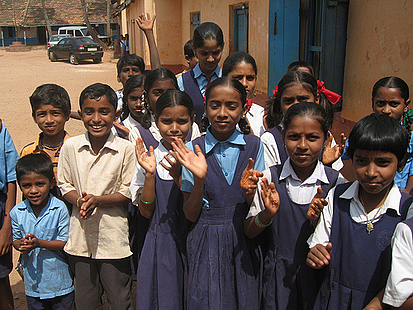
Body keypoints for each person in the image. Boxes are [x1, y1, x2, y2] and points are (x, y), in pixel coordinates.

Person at [172, 76, 265, 308]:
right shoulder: (194, 149)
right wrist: (200, 179)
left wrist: (249, 193)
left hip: (242, 241)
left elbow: (258, 206)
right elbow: (190, 215)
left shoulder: (254, 146)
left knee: (243, 298)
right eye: (215, 105)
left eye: (231, 106)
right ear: (205, 108)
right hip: (205, 241)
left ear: (244, 109)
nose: (222, 113)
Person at [243, 102, 345, 309]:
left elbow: (342, 238)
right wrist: (267, 215)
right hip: (277, 277)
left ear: (326, 140)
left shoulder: (336, 183)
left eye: (313, 137)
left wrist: (318, 222)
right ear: (282, 138)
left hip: (319, 278)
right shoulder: (270, 177)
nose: (303, 145)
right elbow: (249, 231)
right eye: (294, 136)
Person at [306, 114, 413, 309]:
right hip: (333, 301)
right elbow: (318, 243)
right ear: (351, 158)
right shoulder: (337, 197)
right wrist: (316, 253)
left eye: (382, 162)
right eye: (361, 161)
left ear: (401, 164)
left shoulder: (407, 212)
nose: (371, 172)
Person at [57, 83, 136, 310]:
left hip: (113, 239)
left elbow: (128, 191)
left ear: (116, 114)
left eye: (104, 111)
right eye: (89, 111)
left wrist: (98, 201)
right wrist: (80, 200)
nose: (96, 118)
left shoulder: (125, 149)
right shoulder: (71, 146)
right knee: (86, 301)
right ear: (80, 114)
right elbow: (64, 183)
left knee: (120, 299)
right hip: (80, 240)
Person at [130, 89, 193, 309]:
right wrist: (149, 174)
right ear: (155, 121)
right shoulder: (149, 158)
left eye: (182, 121)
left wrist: (181, 176)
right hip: (159, 243)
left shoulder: (198, 156)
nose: (174, 128)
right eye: (166, 121)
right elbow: (146, 212)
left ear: (192, 120)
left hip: (192, 242)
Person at [11, 154, 74, 310]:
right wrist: (22, 245)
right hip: (34, 285)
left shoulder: (59, 209)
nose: (33, 190)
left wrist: (38, 243)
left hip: (60, 282)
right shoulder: (17, 212)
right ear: (19, 185)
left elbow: (64, 242)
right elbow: (15, 239)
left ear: (52, 183)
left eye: (40, 184)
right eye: (27, 185)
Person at [263, 71, 345, 170]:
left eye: (303, 99)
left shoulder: (325, 136)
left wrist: (327, 166)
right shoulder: (270, 140)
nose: (296, 105)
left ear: (317, 99)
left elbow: (335, 176)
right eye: (289, 101)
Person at [21, 84, 71, 197]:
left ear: (67, 115)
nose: (49, 120)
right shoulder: (29, 151)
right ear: (34, 117)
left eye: (55, 113)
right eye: (42, 114)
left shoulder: (76, 149)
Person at [371, 76, 413, 193]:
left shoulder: (411, 140)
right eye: (380, 103)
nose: (386, 110)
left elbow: (410, 189)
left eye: (394, 104)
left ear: (406, 105)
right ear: (372, 103)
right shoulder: (365, 135)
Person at [177, 22, 224, 125]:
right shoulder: (182, 82)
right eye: (204, 53)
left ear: (222, 48)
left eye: (216, 53)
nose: (210, 59)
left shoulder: (228, 79)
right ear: (194, 49)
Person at [141, 68, 200, 150]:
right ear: (146, 96)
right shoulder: (140, 132)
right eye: (158, 93)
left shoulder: (192, 128)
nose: (165, 97)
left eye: (182, 121)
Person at [223, 51, 265, 137]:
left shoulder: (261, 115)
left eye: (250, 78)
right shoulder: (217, 113)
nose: (244, 84)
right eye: (238, 78)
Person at [0, 120, 18, 310]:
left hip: (1, 210)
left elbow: (10, 176)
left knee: (1, 278)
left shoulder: (0, 129)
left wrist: (7, 225)